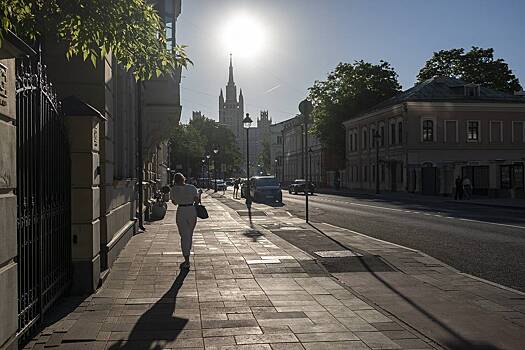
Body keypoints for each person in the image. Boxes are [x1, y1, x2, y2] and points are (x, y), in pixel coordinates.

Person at [170, 172, 200, 269]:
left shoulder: (173, 189)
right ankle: (187, 253)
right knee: (189, 233)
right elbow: (197, 201)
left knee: (184, 235)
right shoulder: (192, 188)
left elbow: (174, 203)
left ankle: (186, 259)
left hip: (181, 211)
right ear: (184, 179)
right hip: (191, 211)